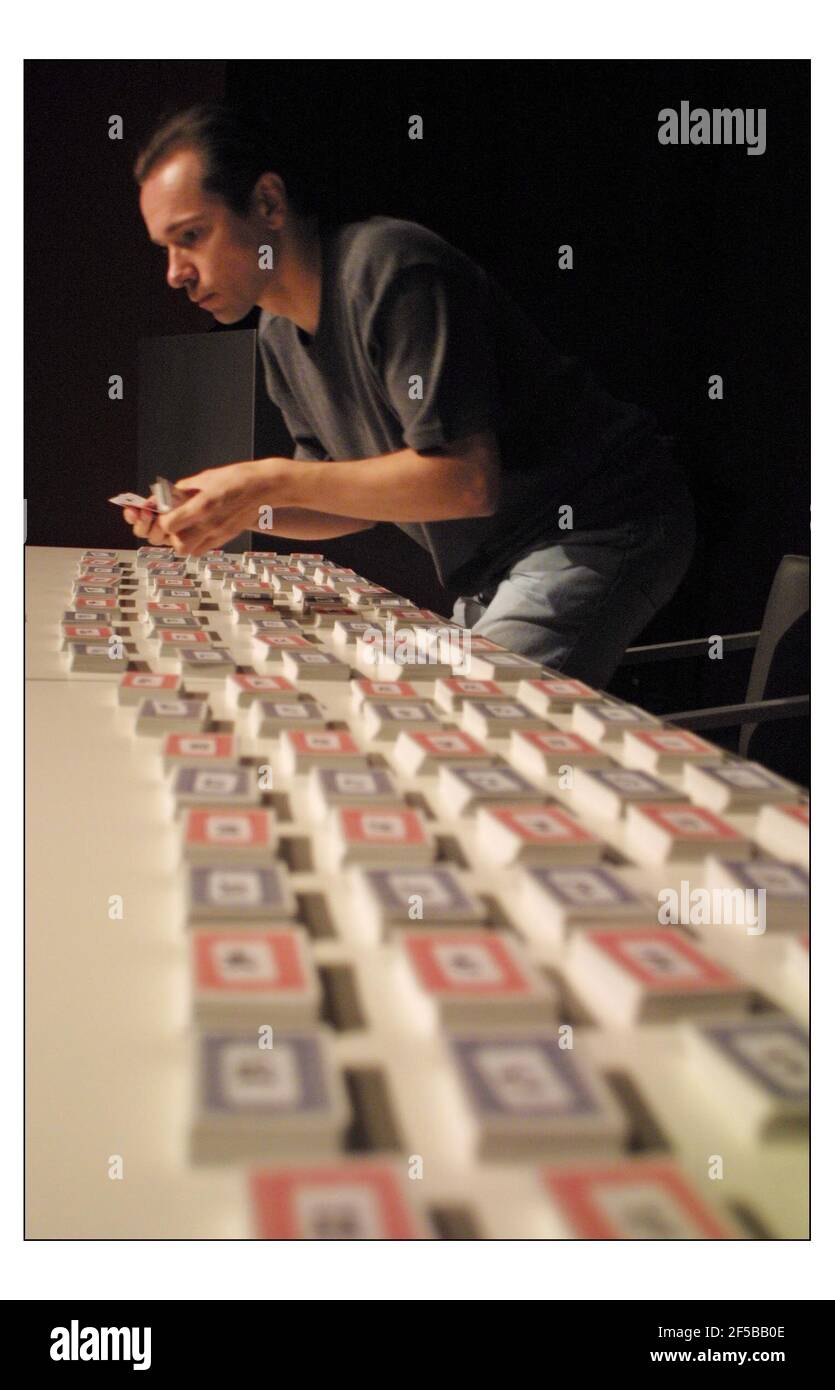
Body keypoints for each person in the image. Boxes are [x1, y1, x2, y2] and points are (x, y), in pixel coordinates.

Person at [124, 102, 696, 688]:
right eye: (164, 248)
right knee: (418, 711)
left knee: (472, 733)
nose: (174, 272)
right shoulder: (277, 333)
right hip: (500, 559)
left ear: (268, 203)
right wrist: (222, 507)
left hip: (599, 524)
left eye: (191, 236)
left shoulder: (388, 268)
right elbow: (336, 498)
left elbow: (465, 482)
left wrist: (263, 482)